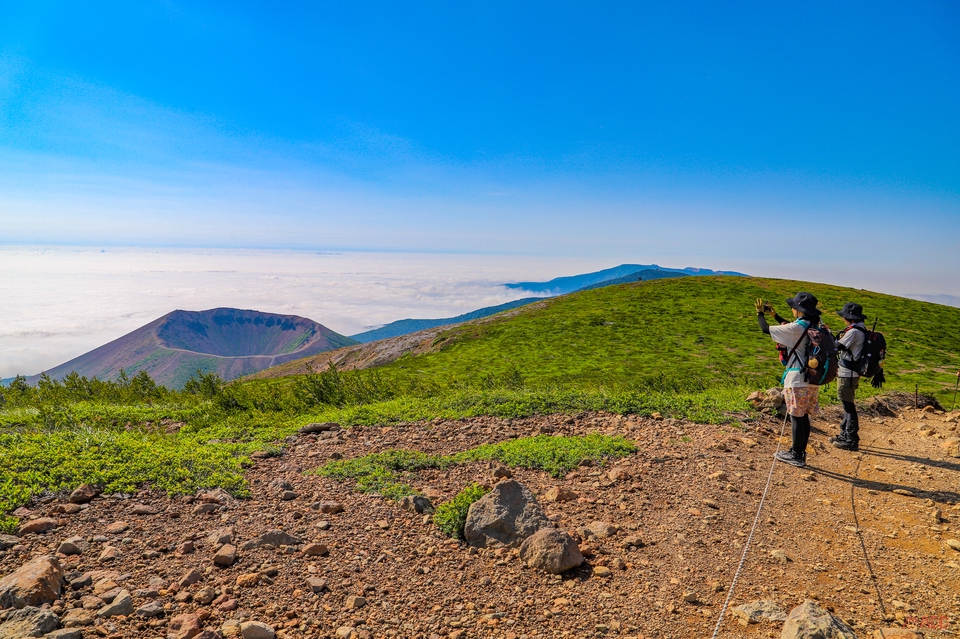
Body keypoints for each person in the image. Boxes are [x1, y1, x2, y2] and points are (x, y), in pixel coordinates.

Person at [755, 291, 823, 468]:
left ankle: (796, 454)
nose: (792, 310)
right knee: (804, 417)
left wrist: (760, 314)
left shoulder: (796, 328)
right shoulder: (816, 325)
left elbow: (765, 329)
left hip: (797, 379)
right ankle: (800, 453)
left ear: (799, 310)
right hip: (812, 379)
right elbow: (791, 329)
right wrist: (776, 315)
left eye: (793, 307)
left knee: (796, 417)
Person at [831, 302, 867, 451]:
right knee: (848, 404)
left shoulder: (853, 332)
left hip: (847, 373)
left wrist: (827, 336)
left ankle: (851, 439)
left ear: (849, 317)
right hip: (852, 372)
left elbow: (836, 347)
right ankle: (845, 434)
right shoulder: (860, 329)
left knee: (848, 406)